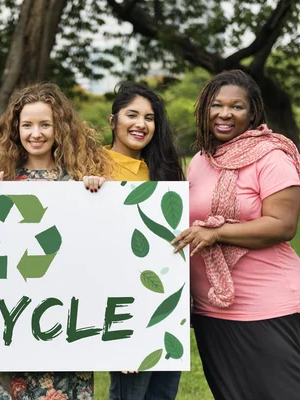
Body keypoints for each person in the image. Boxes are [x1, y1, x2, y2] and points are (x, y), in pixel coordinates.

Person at [172, 70, 300, 400]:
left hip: (265, 300)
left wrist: (219, 233)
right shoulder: (200, 160)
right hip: (212, 305)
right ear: (204, 109)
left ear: (253, 113)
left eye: (236, 106)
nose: (224, 113)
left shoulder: (272, 158)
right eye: (216, 105)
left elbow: (282, 225)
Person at [0, 82, 112, 399]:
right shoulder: (1, 183)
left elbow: (98, 245)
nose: (35, 133)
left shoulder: (78, 184)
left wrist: (97, 192)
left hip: (65, 322)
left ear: (58, 128)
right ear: (15, 129)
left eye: (44, 124)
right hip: (14, 319)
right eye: (27, 125)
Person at [91, 82, 183, 400]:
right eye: (132, 115)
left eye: (149, 117)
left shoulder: (164, 172)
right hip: (121, 301)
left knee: (162, 393)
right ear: (113, 120)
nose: (141, 124)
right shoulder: (92, 166)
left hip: (163, 299)